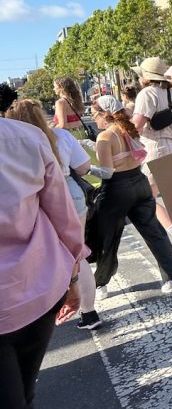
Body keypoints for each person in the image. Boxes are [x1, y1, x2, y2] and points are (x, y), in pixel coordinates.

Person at [0, 116, 85, 409]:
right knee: (25, 389)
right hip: (41, 284)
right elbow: (63, 216)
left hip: (35, 290)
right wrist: (73, 278)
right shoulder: (29, 137)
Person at [5, 99, 102, 330]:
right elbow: (83, 167)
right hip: (72, 191)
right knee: (77, 253)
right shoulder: (60, 136)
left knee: (42, 250)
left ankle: (43, 303)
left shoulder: (16, 140)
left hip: (36, 197)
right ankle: (89, 311)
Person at [90, 95, 172, 297]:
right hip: (139, 182)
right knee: (154, 232)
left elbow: (106, 172)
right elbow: (126, 153)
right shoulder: (128, 129)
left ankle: (100, 284)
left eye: (94, 115)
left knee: (108, 238)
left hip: (116, 189)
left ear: (103, 115)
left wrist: (87, 168)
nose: (93, 120)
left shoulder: (104, 137)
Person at [131, 57, 172, 259]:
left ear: (145, 77)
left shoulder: (147, 94)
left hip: (156, 147)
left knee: (148, 197)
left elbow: (137, 124)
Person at [52, 76, 89, 141]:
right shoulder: (76, 100)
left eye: (55, 87)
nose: (53, 89)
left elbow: (62, 125)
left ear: (61, 88)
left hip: (70, 135)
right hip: (81, 132)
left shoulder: (60, 103)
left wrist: (49, 132)